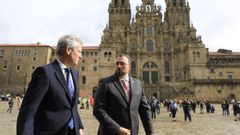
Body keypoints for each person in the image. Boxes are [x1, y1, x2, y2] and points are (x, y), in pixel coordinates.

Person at [17, 35, 84, 135]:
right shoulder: (44, 73)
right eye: (79, 51)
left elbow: (72, 106)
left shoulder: (75, 73)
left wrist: (79, 128)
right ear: (69, 50)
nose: (81, 56)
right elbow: (28, 112)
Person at [93, 54, 154, 135]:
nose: (119, 66)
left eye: (122, 63)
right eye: (117, 63)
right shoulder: (105, 83)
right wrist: (117, 128)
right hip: (110, 132)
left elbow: (144, 110)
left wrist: (150, 132)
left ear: (129, 66)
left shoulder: (137, 84)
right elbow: (98, 110)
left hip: (132, 132)